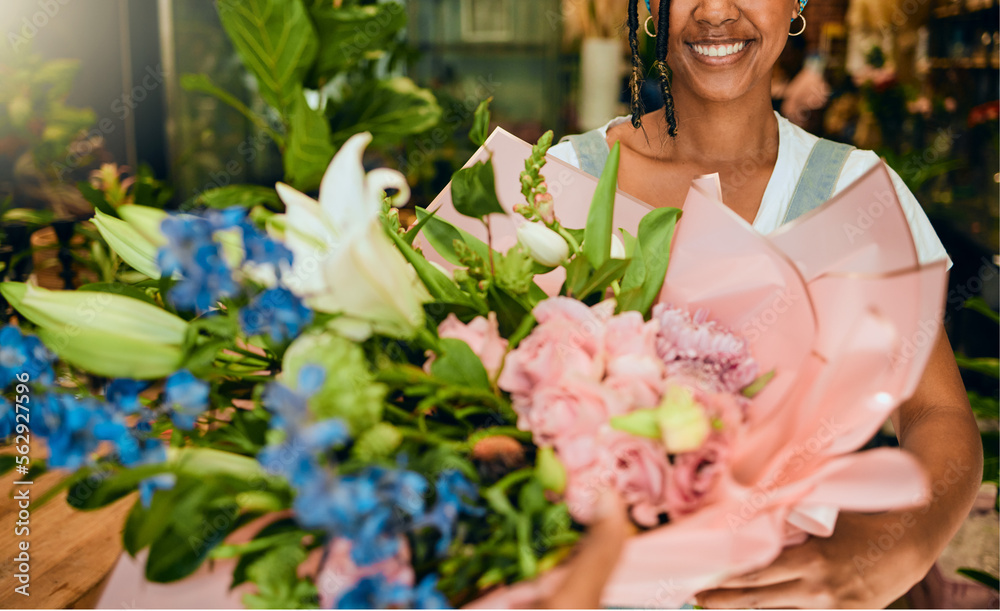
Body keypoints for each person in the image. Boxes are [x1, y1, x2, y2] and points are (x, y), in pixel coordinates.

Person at [539, 0, 985, 607]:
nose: (716, 11)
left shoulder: (853, 191)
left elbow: (938, 415)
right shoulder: (561, 181)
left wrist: (893, 549)